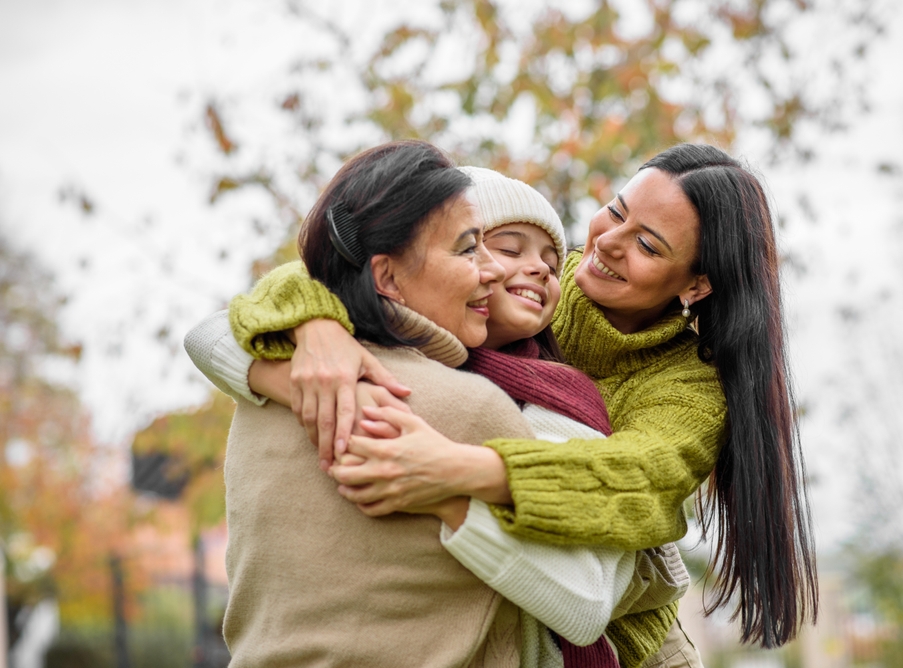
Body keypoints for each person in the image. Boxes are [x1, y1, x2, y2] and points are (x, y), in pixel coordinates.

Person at [223, 143, 819, 653]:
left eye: (648, 245)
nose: (608, 241)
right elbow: (335, 266)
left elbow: (638, 478)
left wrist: (457, 469)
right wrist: (314, 332)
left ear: (696, 284)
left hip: (630, 651)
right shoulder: (541, 283)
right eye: (614, 211)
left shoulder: (685, 385)